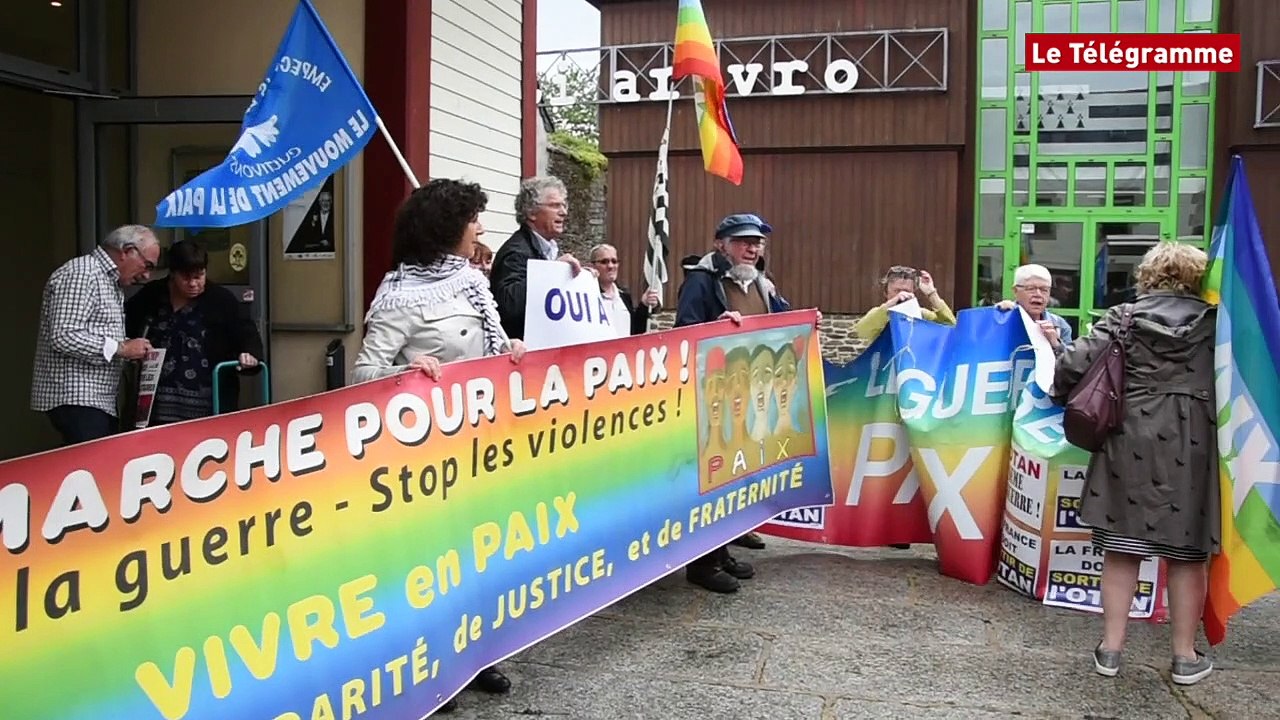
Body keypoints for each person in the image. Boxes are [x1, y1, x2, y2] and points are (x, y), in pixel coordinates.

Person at [352, 178, 528, 714]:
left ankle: (478, 655)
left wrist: (512, 347)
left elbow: (492, 346)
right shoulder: (400, 295)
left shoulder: (473, 282)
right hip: (427, 457)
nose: (480, 227)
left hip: (481, 445)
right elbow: (362, 374)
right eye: (473, 218)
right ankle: (431, 665)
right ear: (446, 228)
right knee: (434, 563)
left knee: (479, 555)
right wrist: (404, 371)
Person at [1051, 242, 1217, 686]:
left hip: (1130, 437)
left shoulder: (1123, 317)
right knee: (1188, 553)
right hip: (1196, 441)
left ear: (1148, 276)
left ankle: (1110, 649)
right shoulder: (1221, 324)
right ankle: (1184, 657)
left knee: (1123, 548)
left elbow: (1069, 366)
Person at [674, 212, 780, 591]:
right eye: (743, 241)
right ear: (721, 244)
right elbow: (684, 332)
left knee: (735, 478)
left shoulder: (762, 285)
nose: (752, 248)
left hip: (747, 397)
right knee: (711, 481)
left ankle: (721, 552)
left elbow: (783, 322)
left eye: (758, 242)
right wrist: (717, 326)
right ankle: (701, 564)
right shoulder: (701, 281)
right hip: (712, 397)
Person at [30, 224, 160, 445]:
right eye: (146, 265)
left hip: (96, 400)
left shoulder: (107, 280)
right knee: (88, 472)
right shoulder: (83, 273)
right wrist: (122, 348)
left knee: (95, 470)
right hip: (77, 397)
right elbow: (64, 335)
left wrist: (126, 347)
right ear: (127, 251)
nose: (146, 275)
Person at [125, 240, 265, 426]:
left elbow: (247, 335)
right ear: (172, 274)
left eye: (199, 276)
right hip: (156, 404)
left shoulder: (221, 300)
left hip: (208, 405)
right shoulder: (152, 295)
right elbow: (126, 326)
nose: (193, 283)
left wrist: (250, 355)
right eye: (186, 277)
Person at [490, 176, 590, 340]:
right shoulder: (516, 252)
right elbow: (509, 305)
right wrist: (552, 272)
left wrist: (580, 281)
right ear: (531, 212)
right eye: (554, 205)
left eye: (564, 205)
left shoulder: (546, 248)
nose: (563, 212)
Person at [854, 265, 956, 339]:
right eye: (897, 291)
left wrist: (931, 293)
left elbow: (951, 327)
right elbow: (861, 331)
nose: (902, 295)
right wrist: (891, 305)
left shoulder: (921, 314)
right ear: (886, 293)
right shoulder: (880, 313)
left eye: (906, 291)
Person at [996, 264, 1073, 354]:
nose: (1038, 294)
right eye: (1031, 289)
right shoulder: (1001, 319)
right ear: (1015, 291)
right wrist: (996, 314)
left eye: (1044, 290)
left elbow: (1070, 365)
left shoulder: (1060, 326)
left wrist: (1056, 344)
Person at [589, 243, 659, 336]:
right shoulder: (588, 296)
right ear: (592, 266)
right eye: (604, 261)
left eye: (614, 261)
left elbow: (634, 331)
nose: (610, 266)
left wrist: (644, 305)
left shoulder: (624, 296)